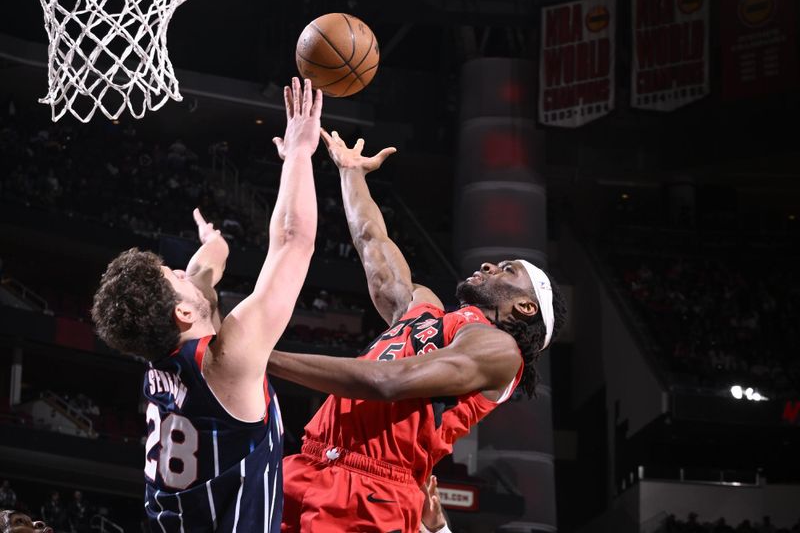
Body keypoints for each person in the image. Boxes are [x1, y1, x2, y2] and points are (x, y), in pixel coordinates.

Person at [271, 132, 567, 531]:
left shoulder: (500, 353)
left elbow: (389, 382)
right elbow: (371, 240)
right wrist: (351, 173)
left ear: (525, 308)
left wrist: (260, 357)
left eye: (507, 271)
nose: (488, 267)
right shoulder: (424, 307)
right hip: (310, 463)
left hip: (372, 491)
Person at [91, 78, 322, 533]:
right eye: (172, 276)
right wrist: (299, 152)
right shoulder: (227, 360)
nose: (181, 272)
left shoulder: (163, 352)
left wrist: (213, 241)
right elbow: (294, 242)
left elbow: (202, 273)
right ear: (182, 312)